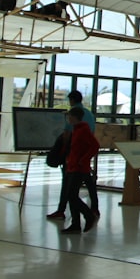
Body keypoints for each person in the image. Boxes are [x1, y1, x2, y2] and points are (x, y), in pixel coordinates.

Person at [48, 90, 99, 220]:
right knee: (89, 183)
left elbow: (66, 135)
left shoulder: (74, 115)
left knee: (68, 186)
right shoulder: (89, 114)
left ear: (71, 100)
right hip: (84, 156)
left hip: (75, 157)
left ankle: (63, 210)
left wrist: (63, 153)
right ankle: (94, 209)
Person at [61, 106, 100, 234]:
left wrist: (83, 160)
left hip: (79, 168)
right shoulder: (76, 130)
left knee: (71, 195)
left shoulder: (83, 130)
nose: (68, 119)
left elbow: (95, 146)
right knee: (72, 196)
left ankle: (88, 215)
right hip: (73, 166)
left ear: (73, 117)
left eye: (69, 116)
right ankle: (75, 224)